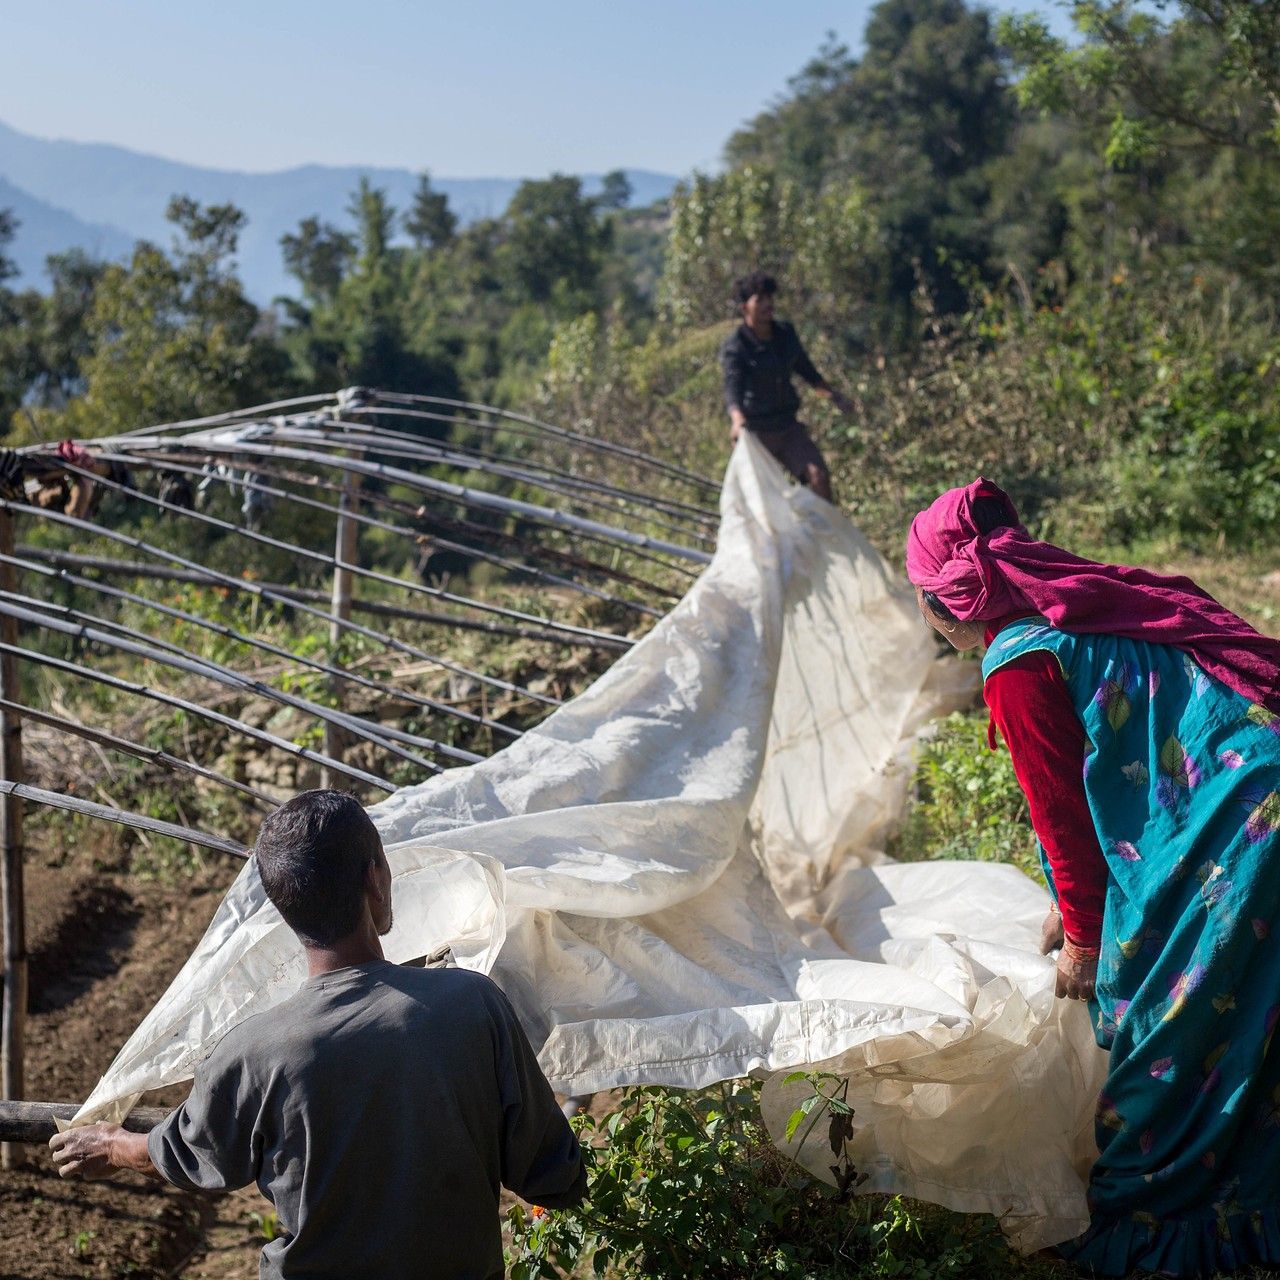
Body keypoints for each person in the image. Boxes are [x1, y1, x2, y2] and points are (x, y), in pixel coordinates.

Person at [906, 478, 1280, 1278]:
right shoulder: (1084, 603)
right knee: (1254, 1012)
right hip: (1253, 791)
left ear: (945, 603)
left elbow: (1065, 821)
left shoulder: (1017, 662)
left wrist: (1083, 944)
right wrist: (1069, 910)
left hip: (1242, 829)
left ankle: (1153, 1223)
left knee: (1170, 1029)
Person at [48, 789, 586, 1280]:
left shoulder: (254, 1051)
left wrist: (114, 1144)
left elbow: (195, 1151)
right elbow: (551, 1175)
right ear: (374, 880)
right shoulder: (472, 1005)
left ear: (285, 907)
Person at [719, 271, 849, 502]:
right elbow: (733, 388)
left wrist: (832, 395)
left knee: (818, 477)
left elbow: (806, 370)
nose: (768, 305)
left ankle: (824, 535)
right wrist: (737, 420)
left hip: (787, 426)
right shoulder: (736, 346)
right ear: (744, 308)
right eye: (759, 300)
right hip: (757, 431)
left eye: (769, 298)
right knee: (763, 497)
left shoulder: (785, 335)